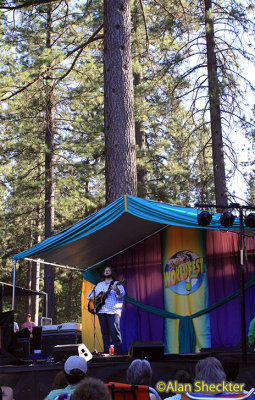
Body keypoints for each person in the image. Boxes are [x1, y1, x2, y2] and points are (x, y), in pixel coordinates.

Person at [87, 266, 125, 355]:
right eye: (105, 270)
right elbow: (89, 296)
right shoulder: (99, 285)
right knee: (104, 333)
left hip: (113, 311)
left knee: (114, 332)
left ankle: (118, 353)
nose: (107, 271)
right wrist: (93, 298)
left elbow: (121, 295)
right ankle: (106, 352)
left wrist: (117, 291)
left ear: (112, 272)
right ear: (103, 273)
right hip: (101, 311)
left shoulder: (116, 283)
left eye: (109, 270)